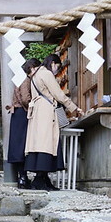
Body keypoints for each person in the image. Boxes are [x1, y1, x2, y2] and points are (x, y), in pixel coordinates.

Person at [24, 53, 80, 191]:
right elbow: (58, 94)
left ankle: (42, 179)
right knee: (47, 144)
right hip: (46, 111)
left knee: (40, 144)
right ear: (53, 64)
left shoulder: (34, 77)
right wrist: (73, 107)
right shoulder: (46, 74)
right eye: (57, 67)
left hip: (37, 111)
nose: (56, 71)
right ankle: (40, 180)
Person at [7, 58, 41, 189]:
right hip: (23, 113)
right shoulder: (27, 80)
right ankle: (23, 177)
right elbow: (26, 98)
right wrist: (34, 106)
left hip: (16, 113)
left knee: (17, 146)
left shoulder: (18, 79)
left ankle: (22, 177)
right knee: (23, 145)